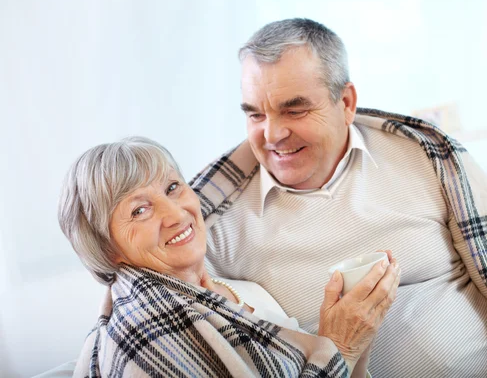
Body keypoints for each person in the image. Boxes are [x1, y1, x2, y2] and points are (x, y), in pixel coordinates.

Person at [190, 18, 487, 377]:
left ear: (345, 102)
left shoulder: (423, 155)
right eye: (255, 114)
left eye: (294, 110)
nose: (273, 134)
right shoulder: (216, 229)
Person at [57, 136, 401, 377]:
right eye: (140, 210)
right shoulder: (144, 334)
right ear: (108, 249)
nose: (176, 214)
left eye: (172, 187)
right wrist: (340, 345)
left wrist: (357, 330)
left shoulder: (240, 289)